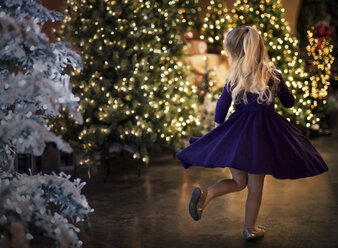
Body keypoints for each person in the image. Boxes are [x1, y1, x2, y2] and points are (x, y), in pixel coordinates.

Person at [176, 26, 328, 241]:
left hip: (238, 134)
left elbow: (221, 106)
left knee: (239, 182)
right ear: (260, 48)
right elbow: (290, 103)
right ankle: (250, 228)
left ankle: (207, 194)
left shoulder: (234, 77)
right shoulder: (273, 75)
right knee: (255, 189)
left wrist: (220, 132)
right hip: (263, 138)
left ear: (234, 52)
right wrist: (281, 91)